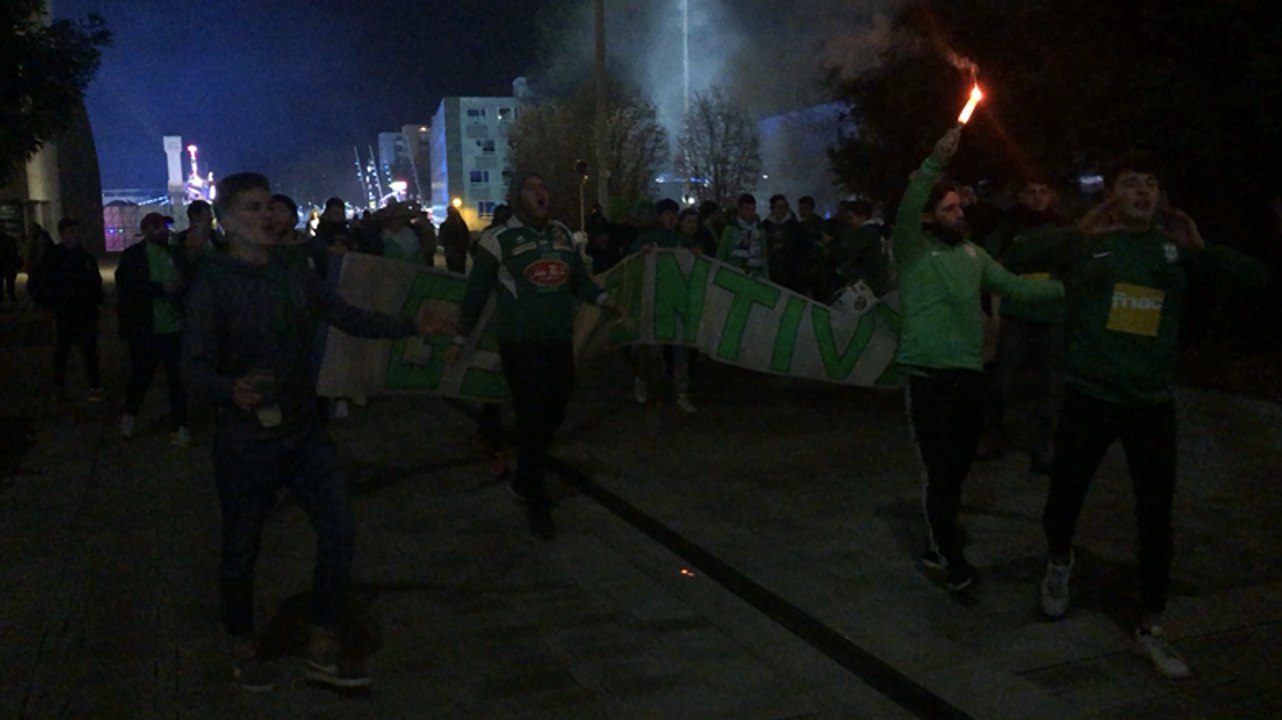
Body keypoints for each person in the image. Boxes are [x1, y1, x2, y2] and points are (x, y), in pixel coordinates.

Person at [1001, 152, 1270, 679]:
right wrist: (1078, 231)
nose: (1142, 192)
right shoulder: (1089, 244)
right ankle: (1059, 562)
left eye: (1150, 183)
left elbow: (1256, 280)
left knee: (1156, 516)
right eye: (1130, 183)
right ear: (1111, 195)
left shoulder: (1174, 251)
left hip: (1150, 404)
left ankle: (1151, 623)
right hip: (1089, 396)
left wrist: (1201, 247)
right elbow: (1015, 256)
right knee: (1065, 495)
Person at [183, 172, 445, 691]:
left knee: (340, 529)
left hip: (304, 432)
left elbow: (347, 316)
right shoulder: (212, 282)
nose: (267, 215)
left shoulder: (293, 271)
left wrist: (412, 325)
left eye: (269, 206)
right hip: (245, 442)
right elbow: (191, 368)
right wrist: (229, 388)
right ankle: (242, 644)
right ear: (226, 221)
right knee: (242, 547)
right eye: (252, 208)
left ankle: (323, 639)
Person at [893, 127, 1064, 592]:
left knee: (959, 466)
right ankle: (951, 558)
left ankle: (940, 537)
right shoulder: (912, 249)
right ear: (929, 217)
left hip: (968, 376)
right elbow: (909, 204)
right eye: (949, 209)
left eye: (960, 207)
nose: (959, 213)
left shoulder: (974, 255)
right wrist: (935, 160)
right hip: (927, 376)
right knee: (939, 471)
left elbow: (1017, 287)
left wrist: (1073, 291)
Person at [449, 171, 623, 539]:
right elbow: (475, 295)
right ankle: (534, 496)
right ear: (517, 198)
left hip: (558, 341)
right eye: (532, 187)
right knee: (531, 415)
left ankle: (524, 476)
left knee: (555, 411)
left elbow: (578, 280)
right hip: (520, 344)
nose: (542, 192)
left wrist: (605, 300)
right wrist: (459, 339)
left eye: (544, 186)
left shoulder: (561, 234)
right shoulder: (497, 240)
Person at [976, 178, 1071, 470]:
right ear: (1020, 196)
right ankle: (993, 436)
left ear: (1052, 195)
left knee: (1050, 386)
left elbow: (1071, 263)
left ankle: (1044, 448)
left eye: (1043, 191)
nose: (1037, 197)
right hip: (1015, 313)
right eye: (1031, 192)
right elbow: (992, 258)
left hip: (1052, 315)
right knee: (1001, 382)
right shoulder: (1008, 226)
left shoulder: (1063, 227)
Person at [116, 212, 190, 446]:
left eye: (165, 227)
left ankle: (180, 425)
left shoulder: (174, 253)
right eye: (159, 227)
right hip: (146, 329)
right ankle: (129, 417)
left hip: (173, 328)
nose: (164, 232)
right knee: (141, 377)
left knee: (177, 380)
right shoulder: (134, 256)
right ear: (147, 230)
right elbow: (127, 288)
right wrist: (160, 289)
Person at [629, 199, 696, 413]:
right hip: (655, 303)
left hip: (677, 304)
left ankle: (681, 393)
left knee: (680, 352)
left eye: (674, 214)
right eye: (667, 214)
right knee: (651, 350)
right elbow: (631, 259)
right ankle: (642, 380)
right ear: (660, 217)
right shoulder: (648, 238)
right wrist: (640, 251)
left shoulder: (682, 240)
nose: (672, 218)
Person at [27, 218, 104, 400]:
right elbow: (38, 281)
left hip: (84, 311)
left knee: (87, 350)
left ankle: (93, 385)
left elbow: (95, 281)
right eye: (70, 232)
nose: (75, 235)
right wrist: (47, 302)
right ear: (62, 234)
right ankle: (60, 385)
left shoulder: (83, 257)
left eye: (76, 232)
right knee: (63, 350)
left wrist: (97, 298)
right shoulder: (54, 257)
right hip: (65, 311)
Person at [717, 194, 769, 279]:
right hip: (733, 273)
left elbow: (763, 257)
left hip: (754, 275)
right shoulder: (730, 229)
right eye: (747, 209)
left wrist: (765, 278)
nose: (750, 213)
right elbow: (722, 253)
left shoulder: (759, 231)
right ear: (740, 210)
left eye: (753, 209)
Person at [439, 205, 471, 273]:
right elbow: (466, 237)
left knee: (451, 270)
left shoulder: (445, 225)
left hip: (450, 251)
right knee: (460, 270)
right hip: (460, 251)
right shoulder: (461, 224)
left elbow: (441, 239)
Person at [0, 225, 19, 305]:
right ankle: (10, 296)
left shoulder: (9, 240)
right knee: (10, 282)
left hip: (6, 262)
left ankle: (3, 297)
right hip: (9, 262)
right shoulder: (10, 240)